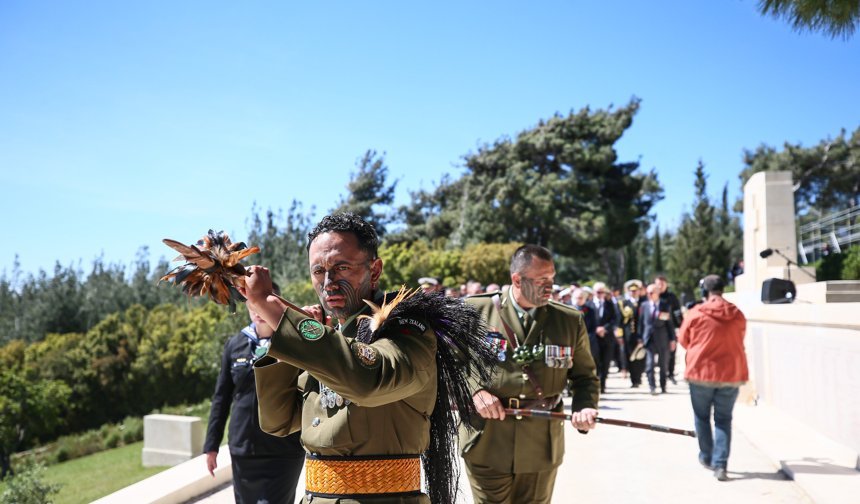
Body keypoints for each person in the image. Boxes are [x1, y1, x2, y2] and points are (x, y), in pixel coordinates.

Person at [242, 212, 493, 504]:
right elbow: (278, 421)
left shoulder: (406, 330)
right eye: (318, 271)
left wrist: (275, 311)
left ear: (374, 271)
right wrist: (292, 343)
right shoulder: (327, 338)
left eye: (341, 267)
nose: (328, 283)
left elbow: (366, 380)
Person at [459, 245, 600, 504]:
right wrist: (475, 390)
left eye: (552, 279)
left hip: (540, 444)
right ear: (517, 280)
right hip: (487, 439)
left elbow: (585, 377)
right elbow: (451, 365)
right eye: (541, 280)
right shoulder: (474, 313)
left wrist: (585, 406)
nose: (551, 287)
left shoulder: (568, 321)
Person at [204, 281, 305, 504]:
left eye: (263, 304)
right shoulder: (235, 344)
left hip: (284, 448)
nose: (257, 311)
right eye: (252, 304)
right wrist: (211, 446)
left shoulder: (293, 342)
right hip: (244, 448)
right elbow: (221, 397)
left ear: (276, 305)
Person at [679, 274, 748, 482]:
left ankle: (707, 457)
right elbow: (739, 337)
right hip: (731, 373)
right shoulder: (736, 313)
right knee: (723, 420)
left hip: (701, 373)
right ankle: (721, 465)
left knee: (701, 417)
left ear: (704, 291)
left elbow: (683, 340)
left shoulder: (695, 312)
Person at [639, 283, 676, 395]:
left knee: (663, 364)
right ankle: (652, 387)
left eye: (651, 293)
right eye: (648, 293)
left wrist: (672, 339)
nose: (649, 295)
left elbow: (670, 323)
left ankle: (663, 386)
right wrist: (639, 338)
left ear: (658, 293)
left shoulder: (665, 305)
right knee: (649, 364)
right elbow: (641, 323)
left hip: (662, 338)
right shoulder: (644, 305)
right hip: (649, 339)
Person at [654, 275, 683, 384]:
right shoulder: (653, 296)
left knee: (671, 351)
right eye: (658, 284)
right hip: (656, 329)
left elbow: (677, 312)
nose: (660, 286)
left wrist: (680, 326)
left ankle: (670, 373)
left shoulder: (671, 297)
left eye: (662, 284)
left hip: (670, 328)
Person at [591, 282, 617, 394]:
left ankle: (603, 385)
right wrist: (596, 329)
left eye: (602, 292)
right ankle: (595, 385)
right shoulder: (588, 305)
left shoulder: (610, 304)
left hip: (607, 337)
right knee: (594, 363)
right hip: (593, 339)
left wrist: (604, 328)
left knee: (605, 362)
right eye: (598, 292)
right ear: (594, 292)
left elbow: (615, 319)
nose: (600, 294)